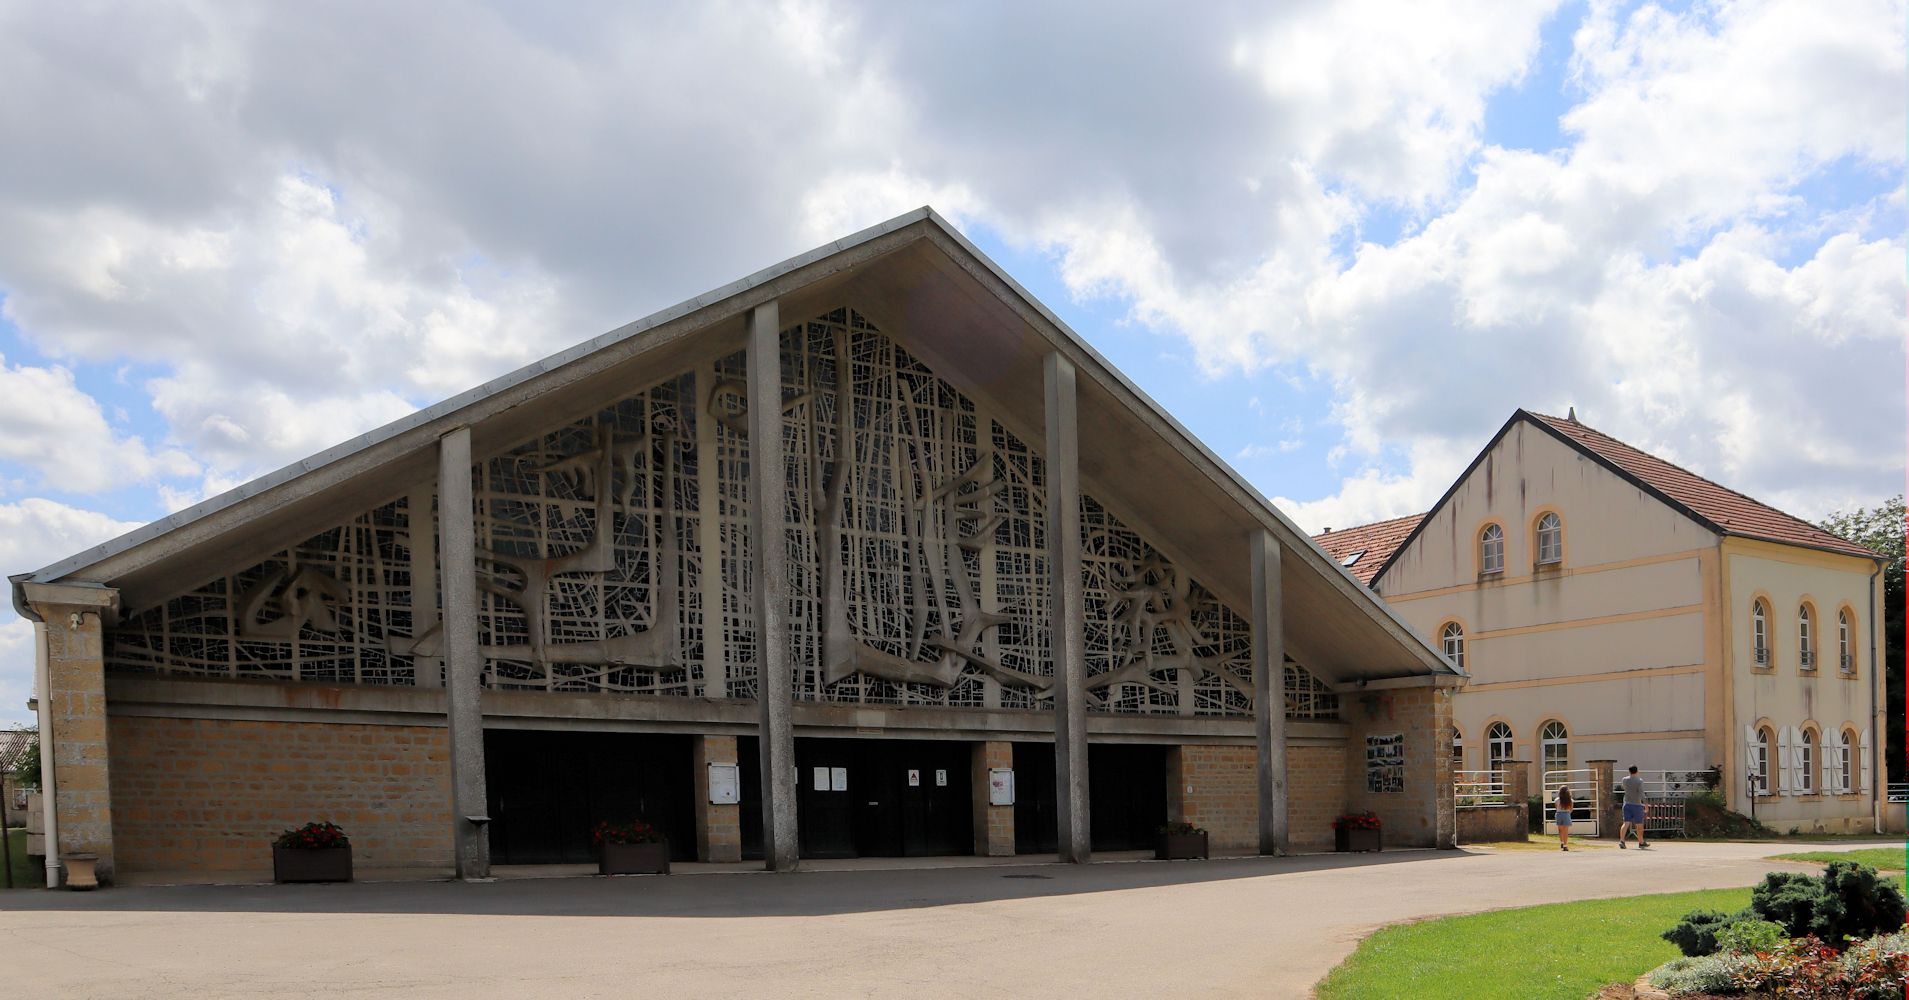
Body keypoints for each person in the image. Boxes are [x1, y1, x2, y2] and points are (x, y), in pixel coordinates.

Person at [1618, 765, 1651, 849]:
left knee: (1626, 823)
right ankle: (1641, 842)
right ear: (1637, 771)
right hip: (1637, 805)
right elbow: (1642, 794)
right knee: (1639, 824)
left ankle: (1622, 840)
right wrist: (1646, 805)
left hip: (1627, 804)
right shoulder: (1639, 781)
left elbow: (1624, 788)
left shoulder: (1624, 780)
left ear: (1629, 771)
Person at [1554, 784, 1574, 851]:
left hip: (1559, 814)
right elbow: (1571, 809)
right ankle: (1565, 845)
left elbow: (1556, 808)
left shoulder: (1557, 800)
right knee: (1565, 831)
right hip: (1566, 814)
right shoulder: (1570, 800)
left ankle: (1562, 842)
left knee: (1560, 830)